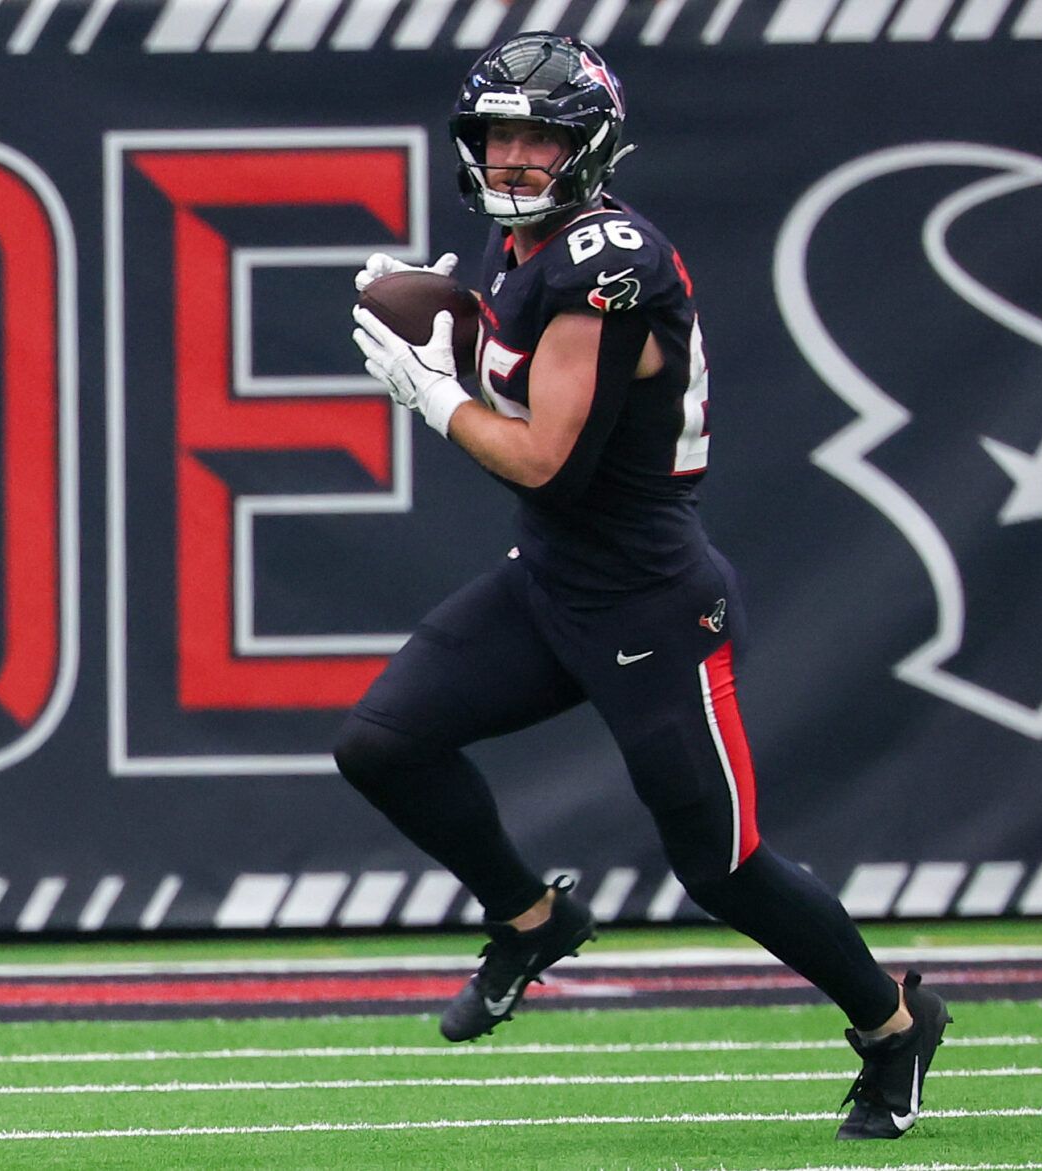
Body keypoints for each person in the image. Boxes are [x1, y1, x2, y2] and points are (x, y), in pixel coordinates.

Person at [339, 31, 948, 1141]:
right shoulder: (520, 244)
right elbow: (516, 387)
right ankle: (531, 917)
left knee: (721, 868)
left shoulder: (608, 260)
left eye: (541, 136)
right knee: (382, 744)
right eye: (501, 134)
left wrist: (431, 387)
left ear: (590, 145)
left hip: (652, 602)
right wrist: (452, 321)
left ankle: (894, 1022)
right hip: (551, 579)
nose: (516, 157)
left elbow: (544, 458)